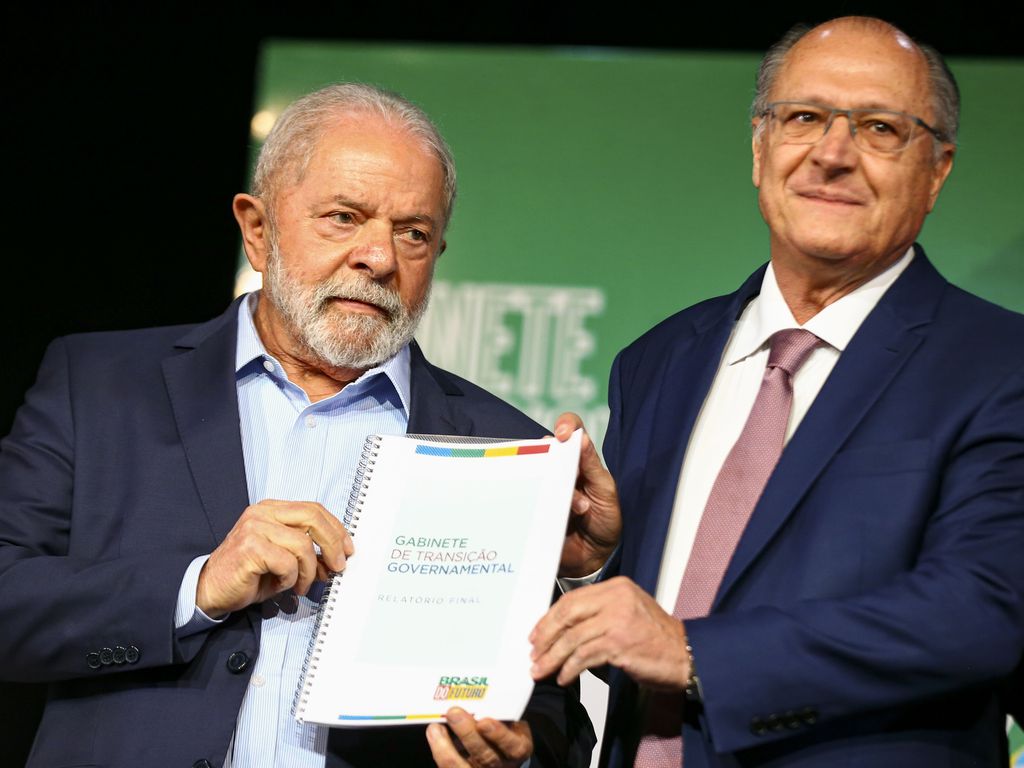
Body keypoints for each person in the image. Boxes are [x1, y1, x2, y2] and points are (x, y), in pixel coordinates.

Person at [0, 83, 592, 768]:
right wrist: (196, 587)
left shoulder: (499, 445)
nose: (380, 258)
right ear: (258, 229)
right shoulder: (99, 385)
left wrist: (517, 749)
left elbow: (555, 714)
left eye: (414, 233)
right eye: (345, 217)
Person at [531, 16, 1024, 768]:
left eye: (881, 128)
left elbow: (982, 609)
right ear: (760, 148)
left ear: (938, 168)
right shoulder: (657, 361)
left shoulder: (999, 364)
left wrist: (696, 652)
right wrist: (597, 566)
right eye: (803, 118)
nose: (832, 153)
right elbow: (640, 642)